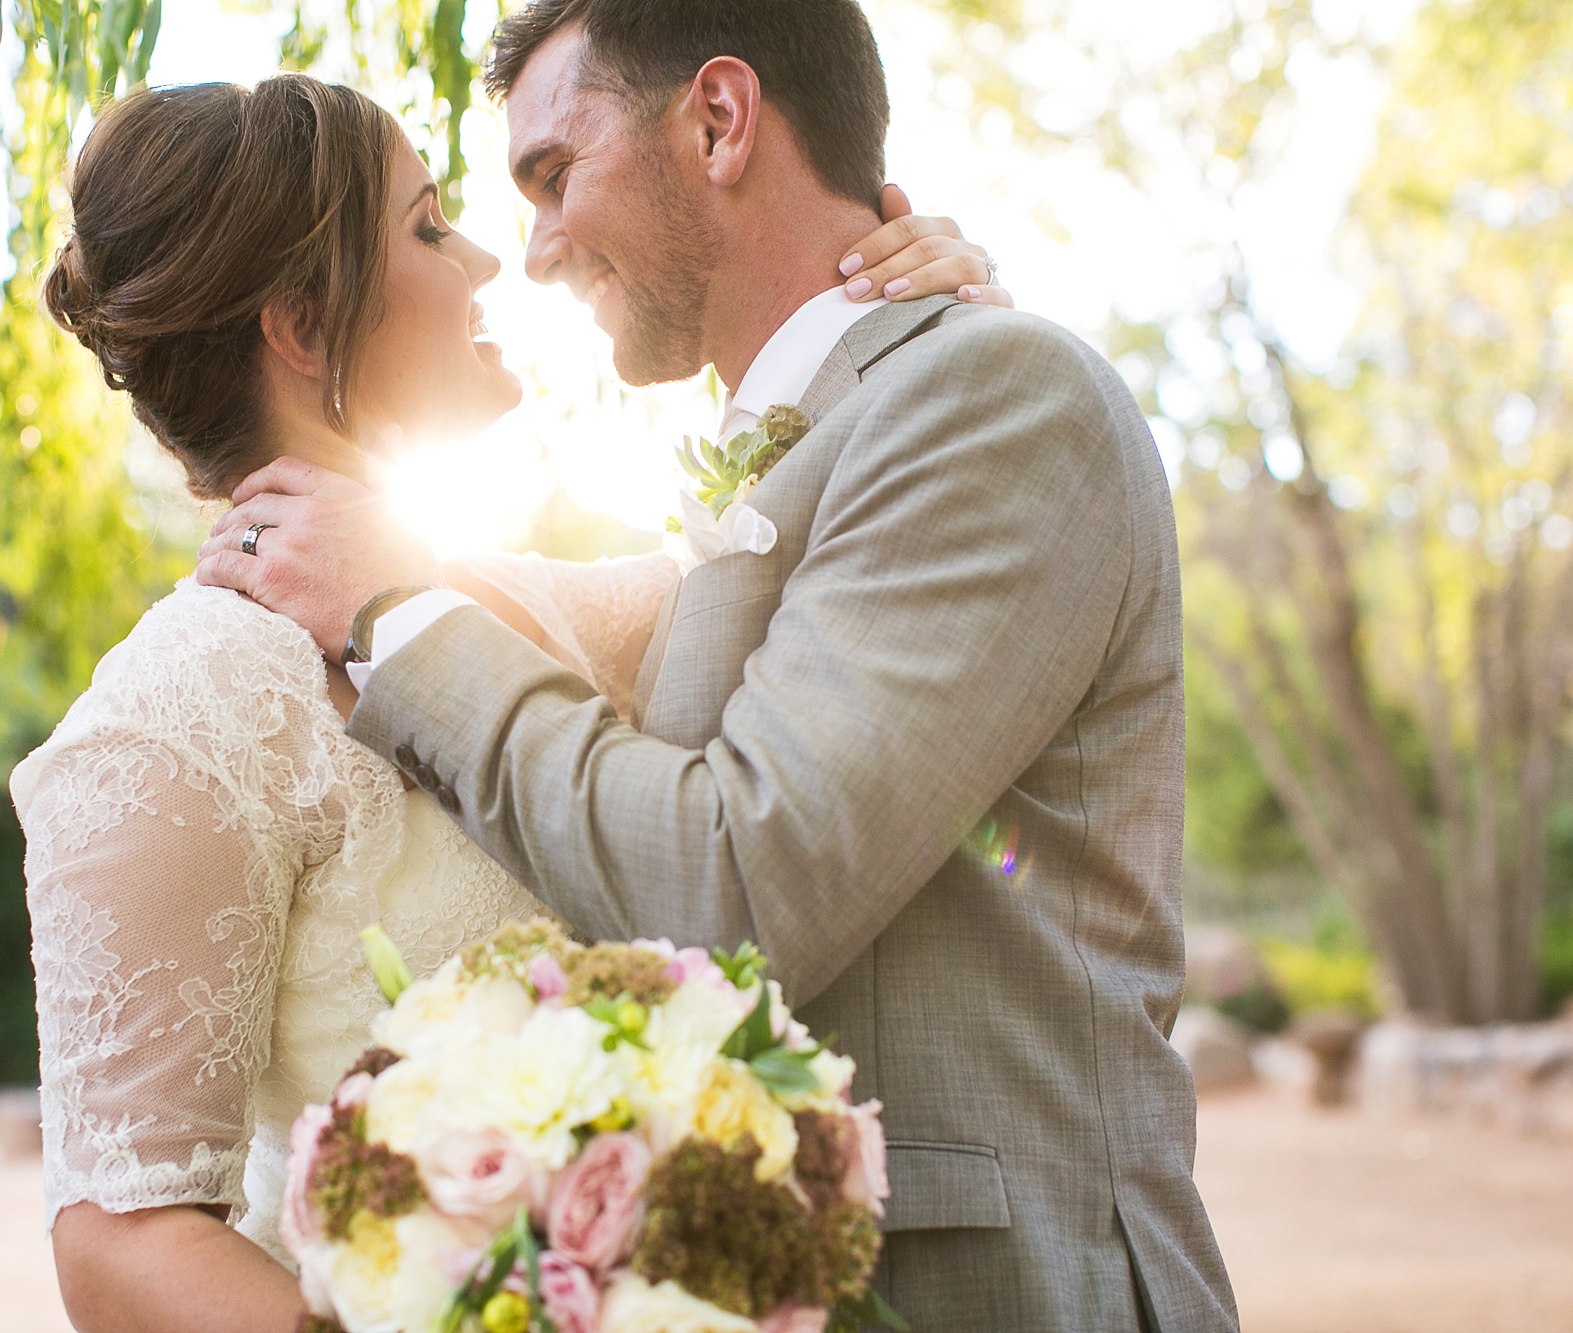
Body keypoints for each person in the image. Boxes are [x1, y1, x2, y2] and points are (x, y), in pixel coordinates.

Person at [197, 1, 1243, 1329]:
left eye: (553, 174)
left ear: (718, 119)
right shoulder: (821, 444)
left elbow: (736, 879)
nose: (533, 248)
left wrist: (394, 612)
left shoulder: (991, 397)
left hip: (1002, 1289)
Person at [13, 72, 1007, 1333]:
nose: (486, 259)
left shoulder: (553, 613)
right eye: (428, 227)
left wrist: (921, 313)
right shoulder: (176, 712)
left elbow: (832, 552)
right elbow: (122, 1241)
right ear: (305, 324)